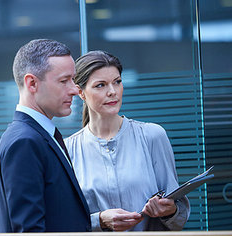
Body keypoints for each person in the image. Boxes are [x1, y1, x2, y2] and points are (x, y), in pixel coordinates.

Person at [64, 50, 190, 231]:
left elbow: (180, 217)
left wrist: (169, 210)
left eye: (117, 82)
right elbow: (65, 222)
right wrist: (99, 220)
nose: (112, 92)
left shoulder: (153, 136)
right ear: (81, 93)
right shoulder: (68, 150)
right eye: (101, 85)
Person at [0, 39, 91, 232]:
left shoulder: (37, 136)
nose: (74, 90)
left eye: (73, 79)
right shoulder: (25, 142)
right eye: (64, 81)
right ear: (32, 83)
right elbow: (30, 231)